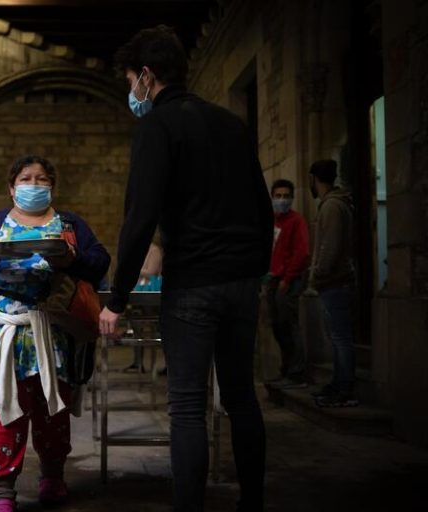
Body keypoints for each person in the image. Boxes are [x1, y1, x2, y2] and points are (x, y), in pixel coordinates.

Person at [99, 25, 274, 512]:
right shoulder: (232, 124)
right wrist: (254, 271)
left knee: (189, 406)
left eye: (130, 81)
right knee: (241, 397)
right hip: (241, 282)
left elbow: (140, 218)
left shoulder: (157, 126)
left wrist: (117, 298)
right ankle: (253, 503)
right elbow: (262, 208)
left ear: (146, 76)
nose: (132, 91)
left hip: (193, 283)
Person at [0, 155, 110, 512]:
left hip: (52, 332)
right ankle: (0, 491)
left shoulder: (70, 224)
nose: (33, 185)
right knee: (5, 411)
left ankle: (53, 476)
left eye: (41, 179)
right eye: (25, 179)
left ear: (52, 187)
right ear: (12, 188)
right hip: (3, 333)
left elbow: (100, 262)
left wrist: (71, 258)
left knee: (52, 411)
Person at [307, 160, 359, 407]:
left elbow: (330, 246)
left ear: (314, 179)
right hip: (334, 281)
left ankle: (344, 388)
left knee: (341, 337)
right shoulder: (334, 204)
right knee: (338, 336)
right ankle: (338, 384)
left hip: (335, 282)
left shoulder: (332, 206)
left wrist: (318, 273)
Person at [265, 179, 310, 388]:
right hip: (272, 280)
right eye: (278, 196)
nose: (281, 200)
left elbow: (301, 253)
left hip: (288, 281)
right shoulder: (270, 221)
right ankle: (286, 368)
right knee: (277, 325)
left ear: (291, 198)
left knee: (289, 324)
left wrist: (287, 279)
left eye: (285, 196)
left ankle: (297, 372)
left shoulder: (296, 221)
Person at [124, 240, 163, 373]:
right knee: (136, 327)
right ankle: (138, 363)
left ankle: (167, 365)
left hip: (150, 293)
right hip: (138, 291)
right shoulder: (139, 248)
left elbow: (152, 272)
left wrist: (133, 268)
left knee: (157, 329)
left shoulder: (154, 250)